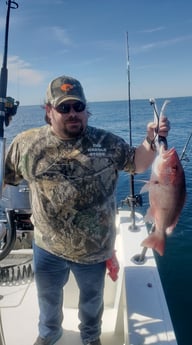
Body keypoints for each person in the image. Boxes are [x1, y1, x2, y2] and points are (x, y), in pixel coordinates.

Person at [4, 76, 170, 345]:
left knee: (92, 304)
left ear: (85, 108)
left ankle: (90, 338)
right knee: (47, 301)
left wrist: (151, 140)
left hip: (95, 251)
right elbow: (6, 177)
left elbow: (137, 164)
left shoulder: (106, 142)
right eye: (63, 107)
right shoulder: (26, 144)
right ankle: (49, 334)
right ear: (48, 110)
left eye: (77, 106)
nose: (72, 113)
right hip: (47, 247)